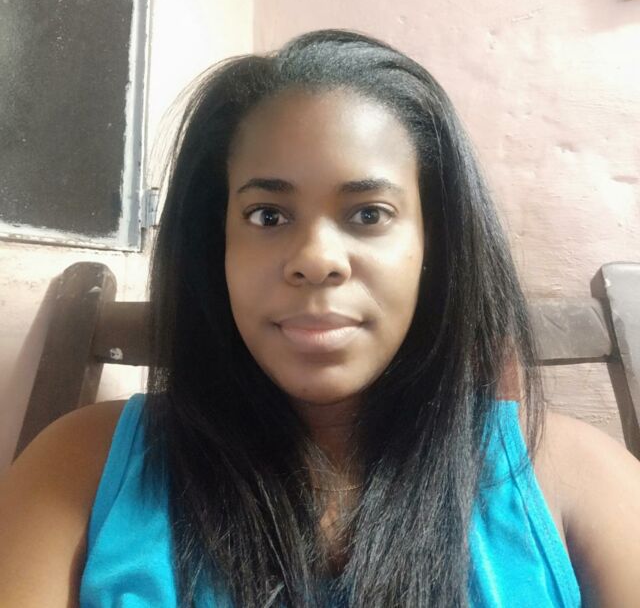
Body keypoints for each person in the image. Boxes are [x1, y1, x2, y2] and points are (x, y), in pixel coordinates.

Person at [1, 30, 639, 607]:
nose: (315, 259)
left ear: (437, 244)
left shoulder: (579, 482)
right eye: (267, 216)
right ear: (215, 243)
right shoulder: (79, 467)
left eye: (368, 214)